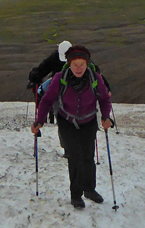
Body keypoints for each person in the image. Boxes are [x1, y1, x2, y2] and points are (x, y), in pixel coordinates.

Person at [31, 45, 113, 209]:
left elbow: (104, 99)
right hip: (67, 121)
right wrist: (39, 121)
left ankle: (89, 189)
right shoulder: (60, 78)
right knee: (75, 156)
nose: (78, 68)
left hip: (89, 121)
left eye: (82, 64)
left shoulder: (95, 78)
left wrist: (105, 116)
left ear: (87, 64)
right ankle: (76, 195)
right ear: (69, 64)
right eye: (75, 64)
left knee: (88, 156)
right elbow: (47, 100)